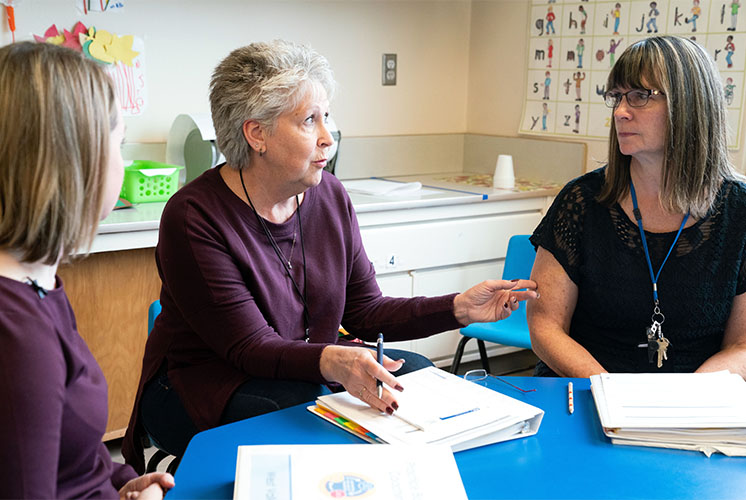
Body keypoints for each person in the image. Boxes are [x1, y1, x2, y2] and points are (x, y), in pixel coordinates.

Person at [122, 40, 537, 473]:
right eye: (308, 120)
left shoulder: (329, 195)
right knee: (301, 409)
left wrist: (457, 308)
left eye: (327, 117)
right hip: (203, 382)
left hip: (298, 364)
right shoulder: (194, 217)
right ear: (256, 133)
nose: (328, 138)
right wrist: (331, 361)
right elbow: (249, 347)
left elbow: (366, 311)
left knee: (413, 374)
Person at [0, 42, 174, 499]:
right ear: (75, 162)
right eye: (119, 144)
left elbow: (67, 456)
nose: (122, 162)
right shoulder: (17, 337)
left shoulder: (37, 283)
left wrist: (119, 481)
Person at [527, 36, 746, 378]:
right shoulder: (581, 201)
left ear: (690, 105)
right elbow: (545, 326)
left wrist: (688, 399)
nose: (620, 112)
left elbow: (742, 346)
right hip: (589, 390)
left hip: (696, 402)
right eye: (617, 97)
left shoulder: (740, 210)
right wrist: (609, 391)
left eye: (640, 96)